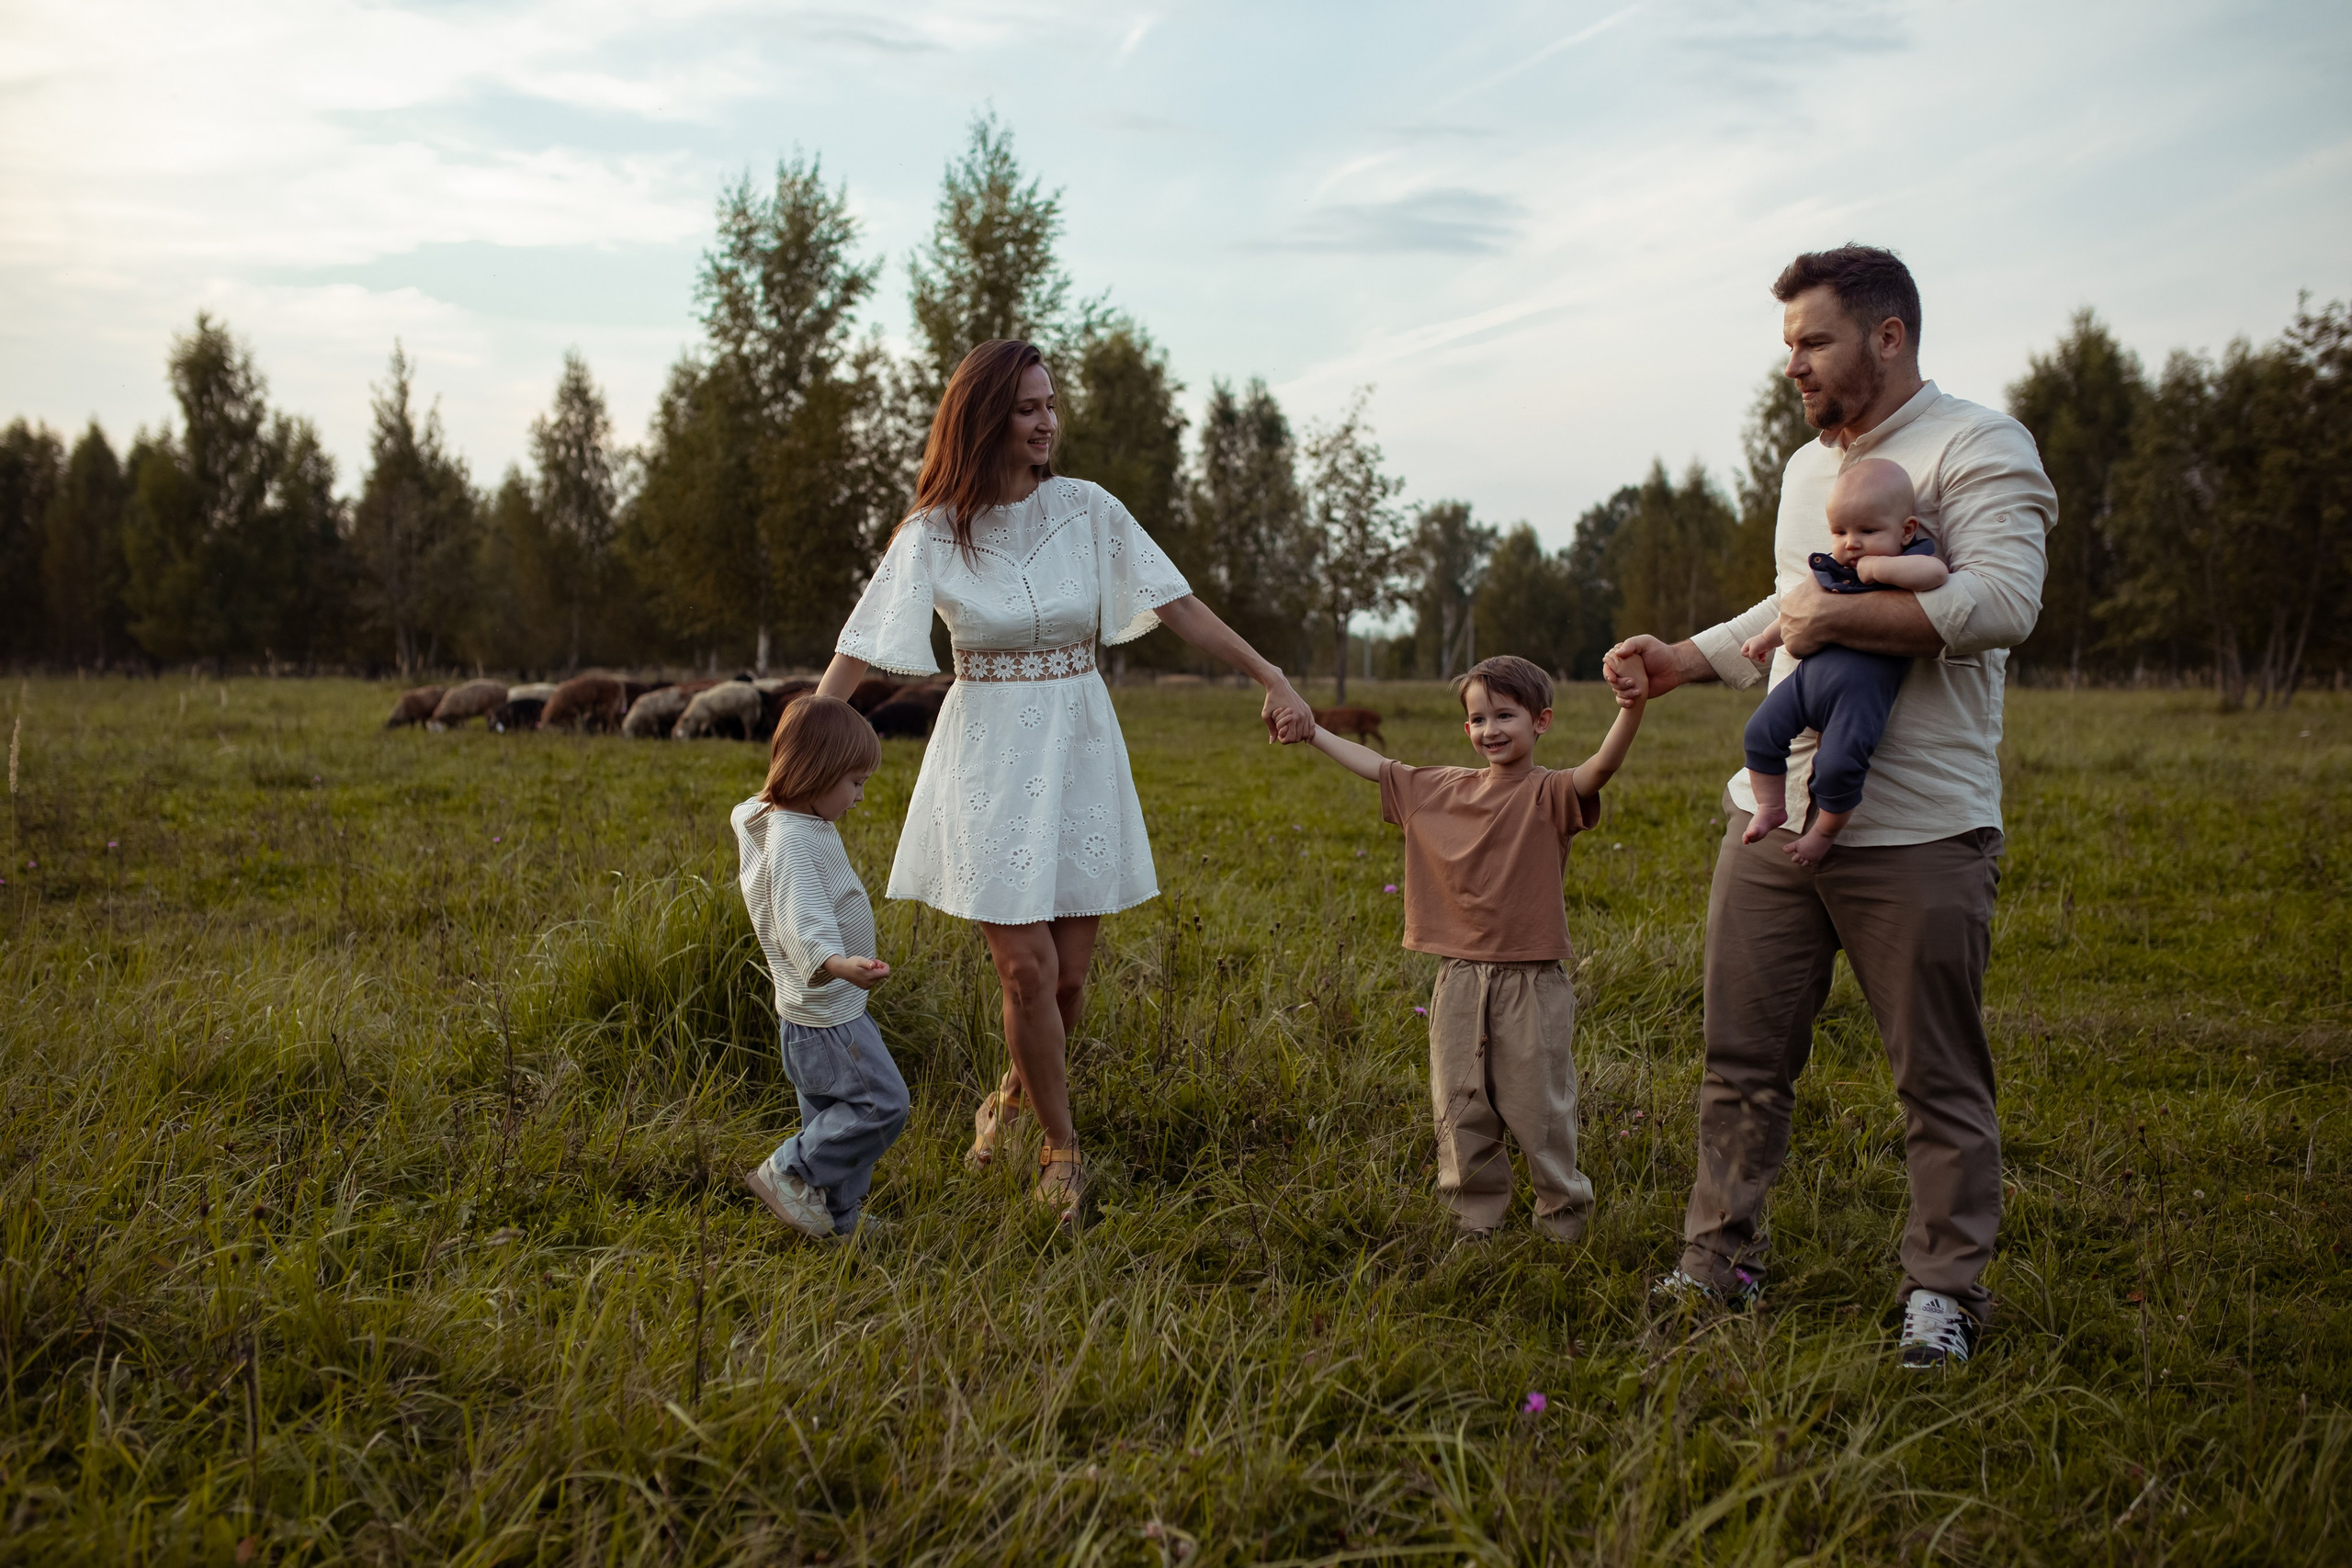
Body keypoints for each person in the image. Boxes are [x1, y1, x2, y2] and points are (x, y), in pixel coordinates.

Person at [1604, 244, 2055, 1369]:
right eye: (1788, 346)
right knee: (1739, 1062)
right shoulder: (1812, 468)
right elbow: (1793, 600)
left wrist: (1826, 625)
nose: (1793, 366)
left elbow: (2001, 602)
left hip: (1920, 830)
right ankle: (1719, 1262)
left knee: (1935, 1076)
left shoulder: (1978, 444)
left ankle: (1942, 1293)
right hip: (1769, 816)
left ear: (1887, 335)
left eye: (1813, 341)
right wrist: (1688, 659)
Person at [816, 339, 1316, 1225]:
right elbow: (859, 641)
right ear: (984, 420)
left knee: (1068, 979)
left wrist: (1268, 672)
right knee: (1024, 969)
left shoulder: (1088, 510)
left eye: (1051, 405)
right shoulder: (933, 532)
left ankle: (1009, 1100)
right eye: (1027, 408)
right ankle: (1061, 1150)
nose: (1047, 421)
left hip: (1080, 748)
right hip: (987, 759)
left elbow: (1179, 603)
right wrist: (808, 740)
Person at [1305, 654, 1645, 1242]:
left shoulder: (1550, 793)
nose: (1491, 730)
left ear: (1541, 722)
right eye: (1479, 719)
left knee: (1539, 1108)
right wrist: (1312, 731)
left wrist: (1630, 709)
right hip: (1459, 976)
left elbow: (1598, 770)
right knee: (1460, 1104)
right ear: (1466, 729)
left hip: (1531, 980)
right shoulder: (1439, 789)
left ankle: (1562, 1217)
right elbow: (1376, 765)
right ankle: (1473, 1217)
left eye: (1506, 716)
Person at [731, 696, 905, 1241]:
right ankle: (790, 1170)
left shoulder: (782, 818)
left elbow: (753, 808)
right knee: (881, 1104)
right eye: (854, 782)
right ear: (817, 773)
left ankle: (837, 1220)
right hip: (828, 1015)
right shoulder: (794, 843)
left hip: (818, 1013)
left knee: (836, 1116)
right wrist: (837, 963)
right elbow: (799, 916)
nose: (859, 796)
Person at [1737, 457, 1950, 865]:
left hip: (1860, 696)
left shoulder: (1909, 564)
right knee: (1758, 733)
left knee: (1838, 767)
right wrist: (1765, 637)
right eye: (1840, 532)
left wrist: (1880, 568)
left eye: (1868, 531)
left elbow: (1936, 575)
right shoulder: (1831, 568)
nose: (1851, 544)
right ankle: (1770, 807)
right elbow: (1794, 609)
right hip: (1807, 681)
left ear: (1906, 530)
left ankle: (1824, 834)